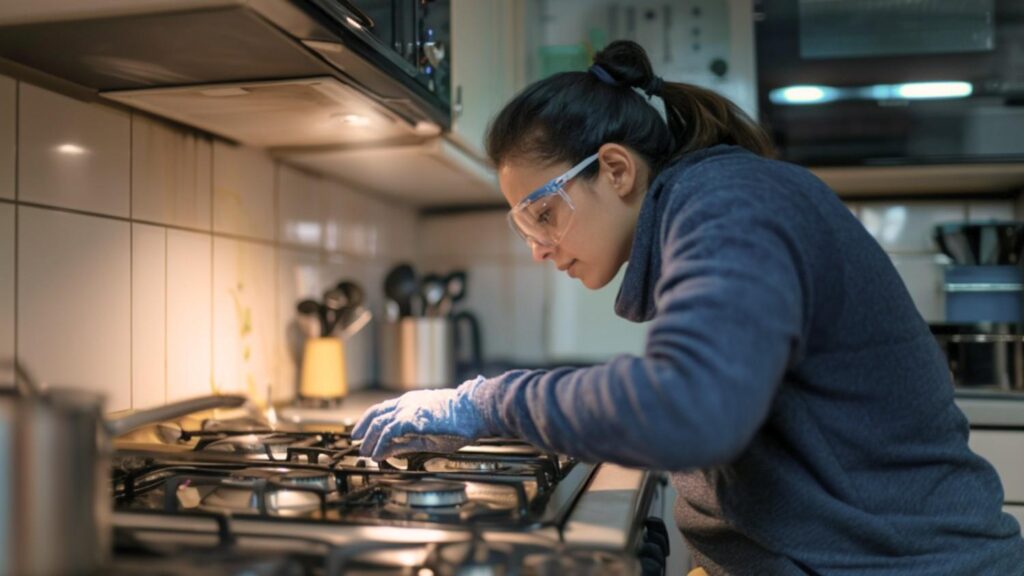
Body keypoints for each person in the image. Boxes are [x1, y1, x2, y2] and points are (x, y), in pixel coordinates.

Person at [353, 40, 1024, 575]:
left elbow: (691, 407)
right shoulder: (708, 203)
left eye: (543, 215)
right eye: (523, 228)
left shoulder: (728, 202)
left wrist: (486, 402)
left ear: (615, 170)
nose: (537, 248)